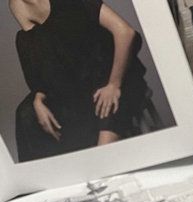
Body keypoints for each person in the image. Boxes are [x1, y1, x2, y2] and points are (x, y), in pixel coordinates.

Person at [11, 0, 151, 162]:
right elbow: (42, 58)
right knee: (26, 114)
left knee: (103, 155)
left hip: (113, 72)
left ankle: (100, 161)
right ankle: (53, 173)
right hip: (76, 83)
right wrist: (38, 96)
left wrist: (114, 84)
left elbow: (126, 32)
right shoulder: (17, 4)